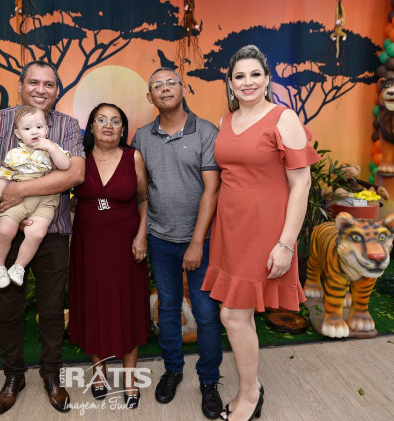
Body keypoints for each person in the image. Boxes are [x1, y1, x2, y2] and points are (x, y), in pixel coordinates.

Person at [201, 45, 321, 421]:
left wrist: (286, 244)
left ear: (267, 79)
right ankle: (251, 387)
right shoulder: (225, 120)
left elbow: (301, 184)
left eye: (255, 74)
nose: (248, 82)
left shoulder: (283, 118)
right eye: (239, 76)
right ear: (230, 83)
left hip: (263, 232)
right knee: (240, 314)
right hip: (229, 230)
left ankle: (250, 395)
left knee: (232, 317)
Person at [0, 60, 85, 414]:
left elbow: (74, 175)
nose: (41, 89)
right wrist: (6, 209)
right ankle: (13, 376)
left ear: (57, 90)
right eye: (34, 82)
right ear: (20, 85)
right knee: (8, 307)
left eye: (49, 84)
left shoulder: (67, 125)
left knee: (51, 309)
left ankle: (52, 376)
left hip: (52, 228)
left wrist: (21, 193)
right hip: (8, 229)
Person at [131, 67, 223, 419]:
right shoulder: (142, 137)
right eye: (158, 85)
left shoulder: (206, 132)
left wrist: (197, 242)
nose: (165, 88)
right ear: (150, 96)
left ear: (184, 89)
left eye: (172, 83)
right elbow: (142, 192)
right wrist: (142, 233)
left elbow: (212, 190)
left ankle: (209, 380)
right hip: (160, 239)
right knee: (168, 308)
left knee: (206, 313)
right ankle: (172, 370)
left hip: (201, 240)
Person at [68, 103, 150, 409]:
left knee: (127, 305)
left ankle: (130, 379)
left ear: (123, 130)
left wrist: (141, 236)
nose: (108, 125)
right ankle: (99, 373)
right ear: (90, 126)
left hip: (126, 246)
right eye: (101, 119)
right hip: (88, 245)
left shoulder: (133, 157)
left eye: (115, 121)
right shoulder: (79, 158)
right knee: (92, 304)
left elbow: (144, 199)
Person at [0, 104, 71, 288]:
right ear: (18, 134)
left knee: (37, 233)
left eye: (39, 127)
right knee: (5, 229)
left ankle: (18, 266)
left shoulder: (53, 149)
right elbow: (3, 179)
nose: (34, 132)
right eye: (27, 129)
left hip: (47, 199)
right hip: (19, 197)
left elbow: (65, 165)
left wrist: (51, 147)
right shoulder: (14, 154)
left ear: (46, 129)